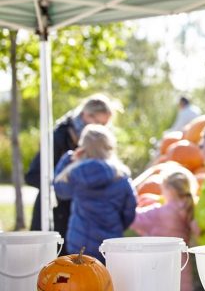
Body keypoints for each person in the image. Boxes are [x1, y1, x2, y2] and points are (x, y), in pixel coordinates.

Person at [25, 93, 114, 252]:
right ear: (86, 115)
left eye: (105, 125)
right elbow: (33, 175)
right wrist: (65, 185)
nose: (101, 129)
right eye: (99, 122)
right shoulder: (58, 137)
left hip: (79, 221)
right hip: (54, 216)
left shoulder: (95, 142)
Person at [53, 124, 136, 263]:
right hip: (110, 243)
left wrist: (68, 159)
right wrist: (118, 226)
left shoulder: (76, 173)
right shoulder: (122, 176)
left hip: (80, 242)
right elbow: (130, 211)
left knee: (82, 281)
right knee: (108, 281)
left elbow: (60, 190)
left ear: (83, 147)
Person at [131, 171, 195, 291]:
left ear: (169, 190)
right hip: (182, 265)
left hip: (161, 265)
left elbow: (135, 219)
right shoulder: (188, 207)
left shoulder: (160, 213)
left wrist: (132, 201)